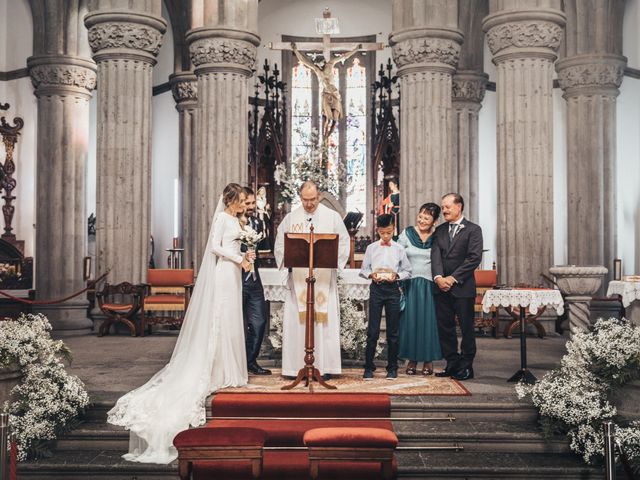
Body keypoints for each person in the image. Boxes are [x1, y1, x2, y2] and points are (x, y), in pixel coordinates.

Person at [107, 183, 255, 464]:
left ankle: (231, 370)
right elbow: (215, 247)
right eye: (240, 201)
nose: (243, 204)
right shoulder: (224, 218)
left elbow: (236, 244)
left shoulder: (236, 219)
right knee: (221, 320)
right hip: (225, 272)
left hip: (234, 273)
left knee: (233, 320)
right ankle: (219, 370)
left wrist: (246, 256)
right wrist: (238, 257)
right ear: (231, 200)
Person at [274, 180, 350, 380]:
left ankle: (324, 367)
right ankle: (295, 368)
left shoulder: (332, 217)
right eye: (305, 200)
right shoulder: (291, 218)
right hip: (299, 278)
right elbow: (280, 245)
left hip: (323, 278)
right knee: (299, 322)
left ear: (319, 196)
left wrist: (333, 261)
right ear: (300, 198)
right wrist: (288, 262)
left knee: (323, 322)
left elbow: (343, 243)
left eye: (313, 199)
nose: (309, 204)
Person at [431, 193, 483, 381]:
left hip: (462, 287)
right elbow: (435, 255)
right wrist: (438, 277)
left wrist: (452, 279)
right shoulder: (440, 230)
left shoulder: (473, 230)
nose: (443, 210)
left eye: (447, 207)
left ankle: (467, 366)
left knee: (467, 328)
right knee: (445, 328)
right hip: (440, 287)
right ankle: (451, 363)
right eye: (443, 207)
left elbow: (474, 258)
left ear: (459, 207)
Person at [360, 214, 412, 380]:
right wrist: (371, 275)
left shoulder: (399, 249)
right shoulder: (371, 248)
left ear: (393, 229)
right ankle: (369, 367)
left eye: (389, 232)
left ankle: (392, 367)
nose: (386, 236)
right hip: (376, 289)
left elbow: (408, 271)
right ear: (378, 231)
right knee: (373, 331)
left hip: (392, 291)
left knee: (393, 332)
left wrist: (396, 276)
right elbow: (364, 269)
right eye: (382, 233)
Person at [397, 203, 443, 376]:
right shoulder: (407, 234)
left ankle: (428, 360)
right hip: (410, 284)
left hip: (430, 284)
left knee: (428, 323)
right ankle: (412, 360)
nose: (422, 220)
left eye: (427, 218)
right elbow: (397, 255)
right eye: (420, 216)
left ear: (434, 221)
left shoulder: (438, 236)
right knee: (410, 322)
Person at [291, 42, 361, 140]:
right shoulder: (317, 70)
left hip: (334, 94)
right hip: (325, 95)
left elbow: (344, 56)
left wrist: (355, 50)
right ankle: (324, 138)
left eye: (321, 64)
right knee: (327, 118)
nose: (320, 66)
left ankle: (326, 137)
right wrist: (295, 51)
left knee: (335, 120)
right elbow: (304, 61)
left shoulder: (331, 64)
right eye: (318, 65)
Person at [241, 187, 271, 375]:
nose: (252, 207)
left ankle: (251, 360)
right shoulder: (232, 223)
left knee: (259, 321)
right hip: (237, 278)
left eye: (254, 203)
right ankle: (236, 362)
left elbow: (263, 249)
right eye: (248, 203)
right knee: (234, 323)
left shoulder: (258, 223)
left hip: (254, 278)